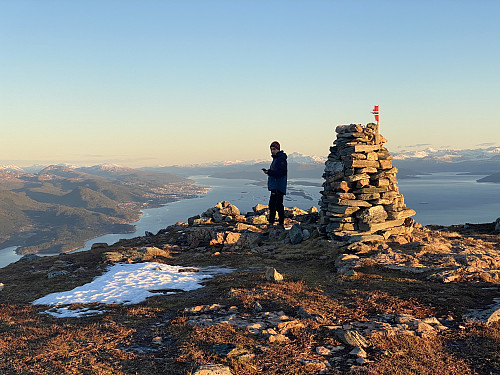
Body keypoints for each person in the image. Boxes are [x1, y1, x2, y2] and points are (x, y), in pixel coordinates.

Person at [262, 141, 287, 227]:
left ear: (278, 149)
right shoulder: (276, 159)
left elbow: (282, 172)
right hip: (275, 186)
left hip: (278, 186)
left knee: (276, 205)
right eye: (271, 149)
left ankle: (278, 223)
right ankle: (273, 222)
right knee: (273, 205)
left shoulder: (280, 159)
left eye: (274, 149)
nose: (272, 151)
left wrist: (270, 172)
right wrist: (269, 172)